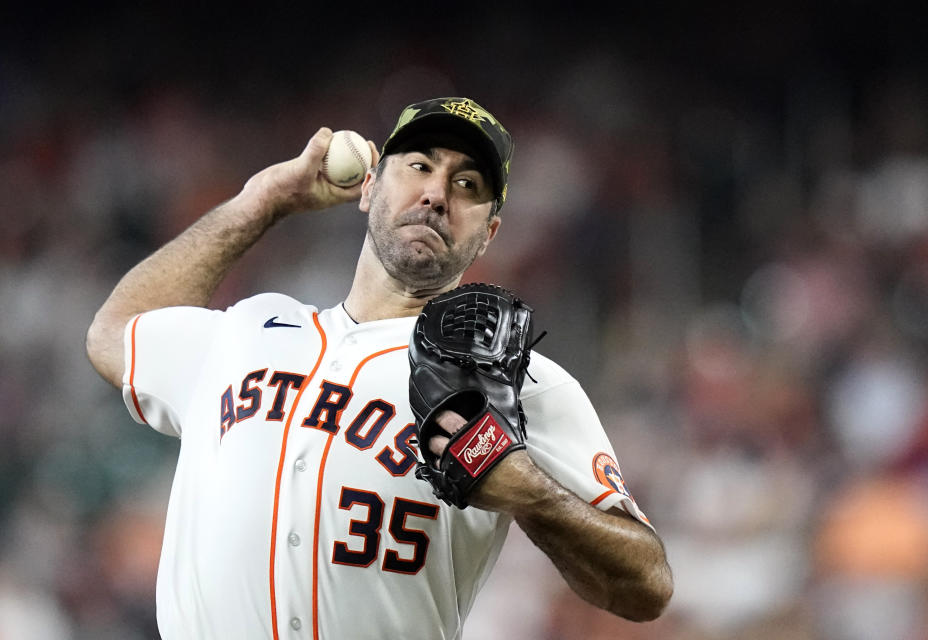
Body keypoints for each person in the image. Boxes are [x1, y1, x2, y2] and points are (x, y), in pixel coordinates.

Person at [85, 97, 673, 639]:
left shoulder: (517, 381)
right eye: (418, 165)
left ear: (489, 232)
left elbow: (646, 586)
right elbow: (114, 334)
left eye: (467, 184)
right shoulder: (249, 330)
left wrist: (533, 496)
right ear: (368, 187)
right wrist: (261, 203)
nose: (437, 193)